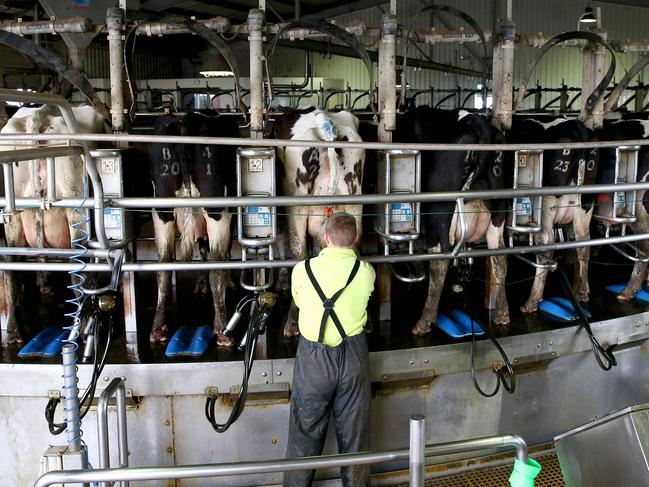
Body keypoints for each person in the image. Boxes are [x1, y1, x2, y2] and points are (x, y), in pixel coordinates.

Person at [284, 212, 376, 487]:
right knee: (355, 437)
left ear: (325, 239)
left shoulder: (303, 270)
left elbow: (299, 301)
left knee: (303, 436)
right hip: (353, 358)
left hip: (313, 357)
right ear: (356, 239)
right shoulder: (365, 271)